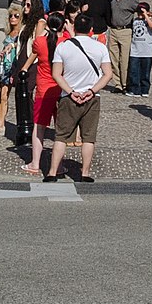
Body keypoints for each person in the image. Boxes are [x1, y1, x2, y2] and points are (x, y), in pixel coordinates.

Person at [46, 13, 112, 183]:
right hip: (92, 97)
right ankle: (85, 173)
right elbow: (107, 74)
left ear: (74, 28)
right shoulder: (100, 48)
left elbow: (56, 74)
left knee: (61, 137)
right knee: (88, 138)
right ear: (91, 30)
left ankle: (53, 172)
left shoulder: (63, 47)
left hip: (68, 97)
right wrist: (91, 90)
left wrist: (71, 91)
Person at [22, 9, 67, 175]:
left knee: (39, 128)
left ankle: (35, 163)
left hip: (43, 89)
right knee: (60, 131)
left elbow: (34, 54)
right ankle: (59, 166)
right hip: (62, 89)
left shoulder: (40, 42)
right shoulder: (66, 41)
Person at [0, 3, 25, 135]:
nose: (13, 18)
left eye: (16, 16)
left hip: (17, 65)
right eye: (11, 16)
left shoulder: (22, 32)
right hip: (7, 65)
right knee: (3, 96)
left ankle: (22, 124)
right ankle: (0, 124)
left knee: (21, 96)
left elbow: (23, 44)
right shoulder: (8, 32)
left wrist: (12, 45)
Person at [107, 0, 141, 90]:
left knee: (125, 59)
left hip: (126, 31)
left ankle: (125, 83)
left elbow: (140, 9)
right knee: (114, 59)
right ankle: (117, 84)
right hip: (113, 30)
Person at [127, 0, 152, 96]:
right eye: (139, 12)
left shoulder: (151, 20)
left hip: (147, 51)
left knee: (145, 73)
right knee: (133, 72)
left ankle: (144, 90)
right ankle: (134, 89)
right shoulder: (135, 21)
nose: (139, 14)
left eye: (141, 12)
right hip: (135, 51)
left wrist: (146, 16)